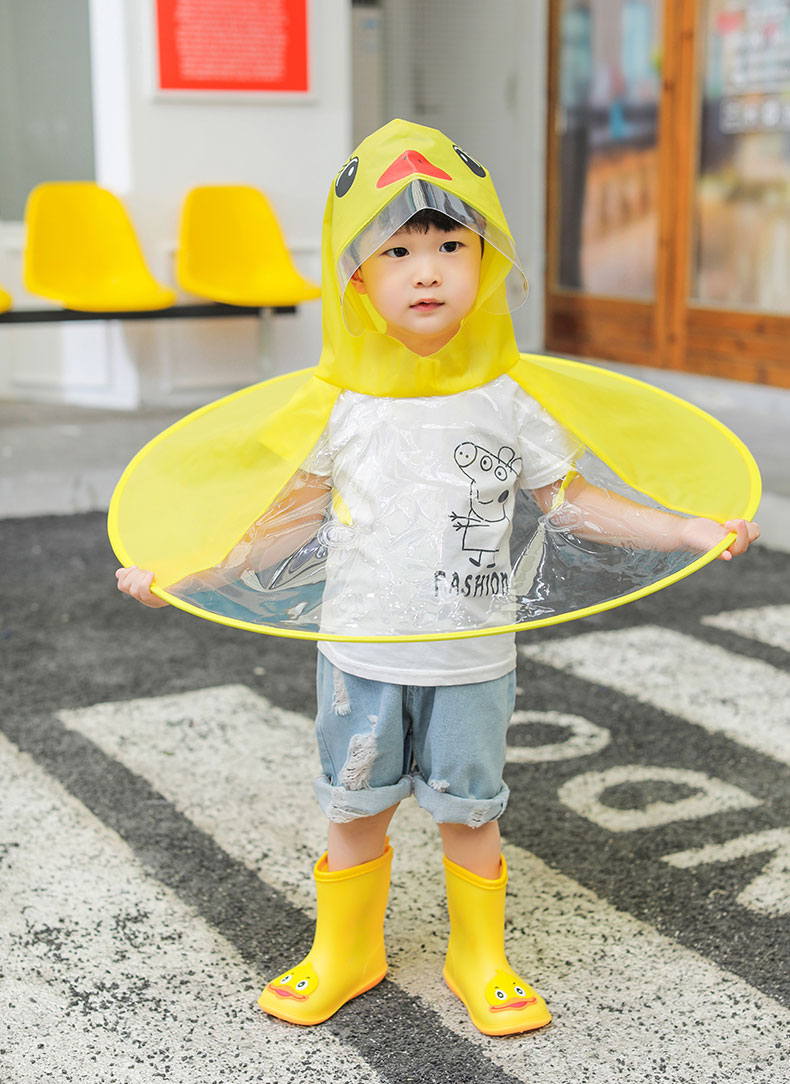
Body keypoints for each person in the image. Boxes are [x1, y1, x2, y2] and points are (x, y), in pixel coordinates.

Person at [116, 120, 759, 1037]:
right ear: (357, 279)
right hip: (362, 655)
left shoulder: (509, 395)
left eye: (451, 245)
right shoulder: (340, 406)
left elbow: (568, 501)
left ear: (486, 261)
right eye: (399, 249)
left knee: (472, 813)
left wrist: (685, 529)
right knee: (354, 810)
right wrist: (182, 569)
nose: (426, 270)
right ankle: (347, 950)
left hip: (470, 659)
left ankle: (477, 956)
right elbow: (282, 526)